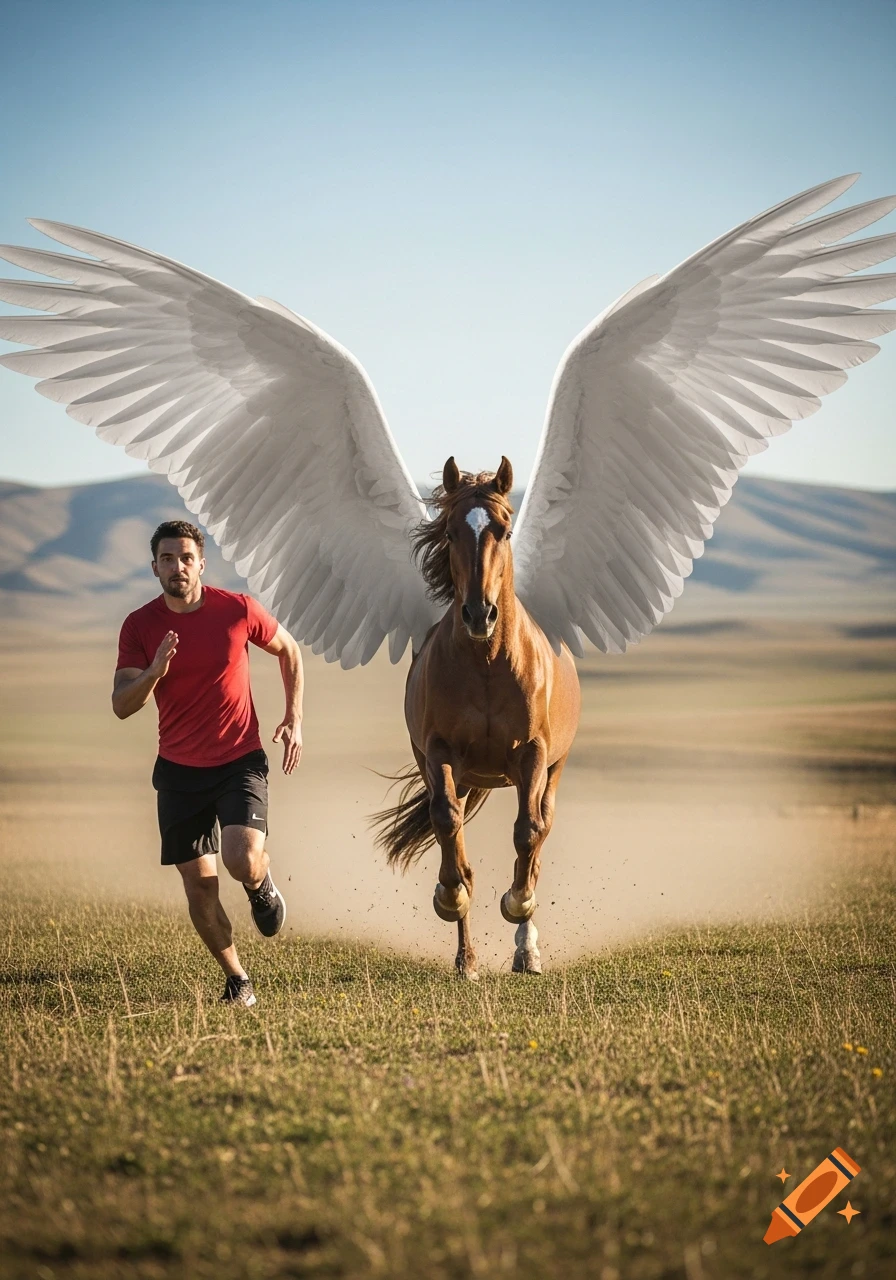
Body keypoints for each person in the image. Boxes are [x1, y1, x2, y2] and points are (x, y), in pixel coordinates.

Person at [113, 519, 303, 1007]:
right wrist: (154, 671)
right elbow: (121, 704)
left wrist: (293, 717)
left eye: (186, 557)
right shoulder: (139, 626)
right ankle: (238, 978)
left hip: (239, 759)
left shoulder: (237, 610)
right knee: (200, 888)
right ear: (154, 567)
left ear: (202, 562)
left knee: (240, 860)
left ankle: (260, 885)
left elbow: (289, 650)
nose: (178, 566)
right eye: (168, 559)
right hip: (178, 771)